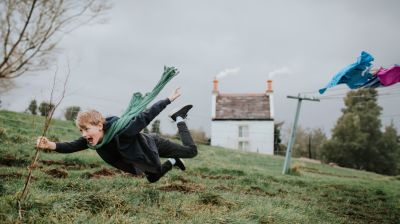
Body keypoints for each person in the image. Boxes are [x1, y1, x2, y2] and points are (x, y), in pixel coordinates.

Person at [36, 88, 197, 183]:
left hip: (151, 144)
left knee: (191, 151)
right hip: (141, 158)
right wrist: (50, 145)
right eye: (81, 131)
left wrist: (168, 99)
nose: (84, 135)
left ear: (99, 125)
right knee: (153, 178)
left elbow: (145, 116)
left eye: (86, 129)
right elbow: (72, 146)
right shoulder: (96, 141)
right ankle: (173, 160)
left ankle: (179, 118)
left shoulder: (122, 130)